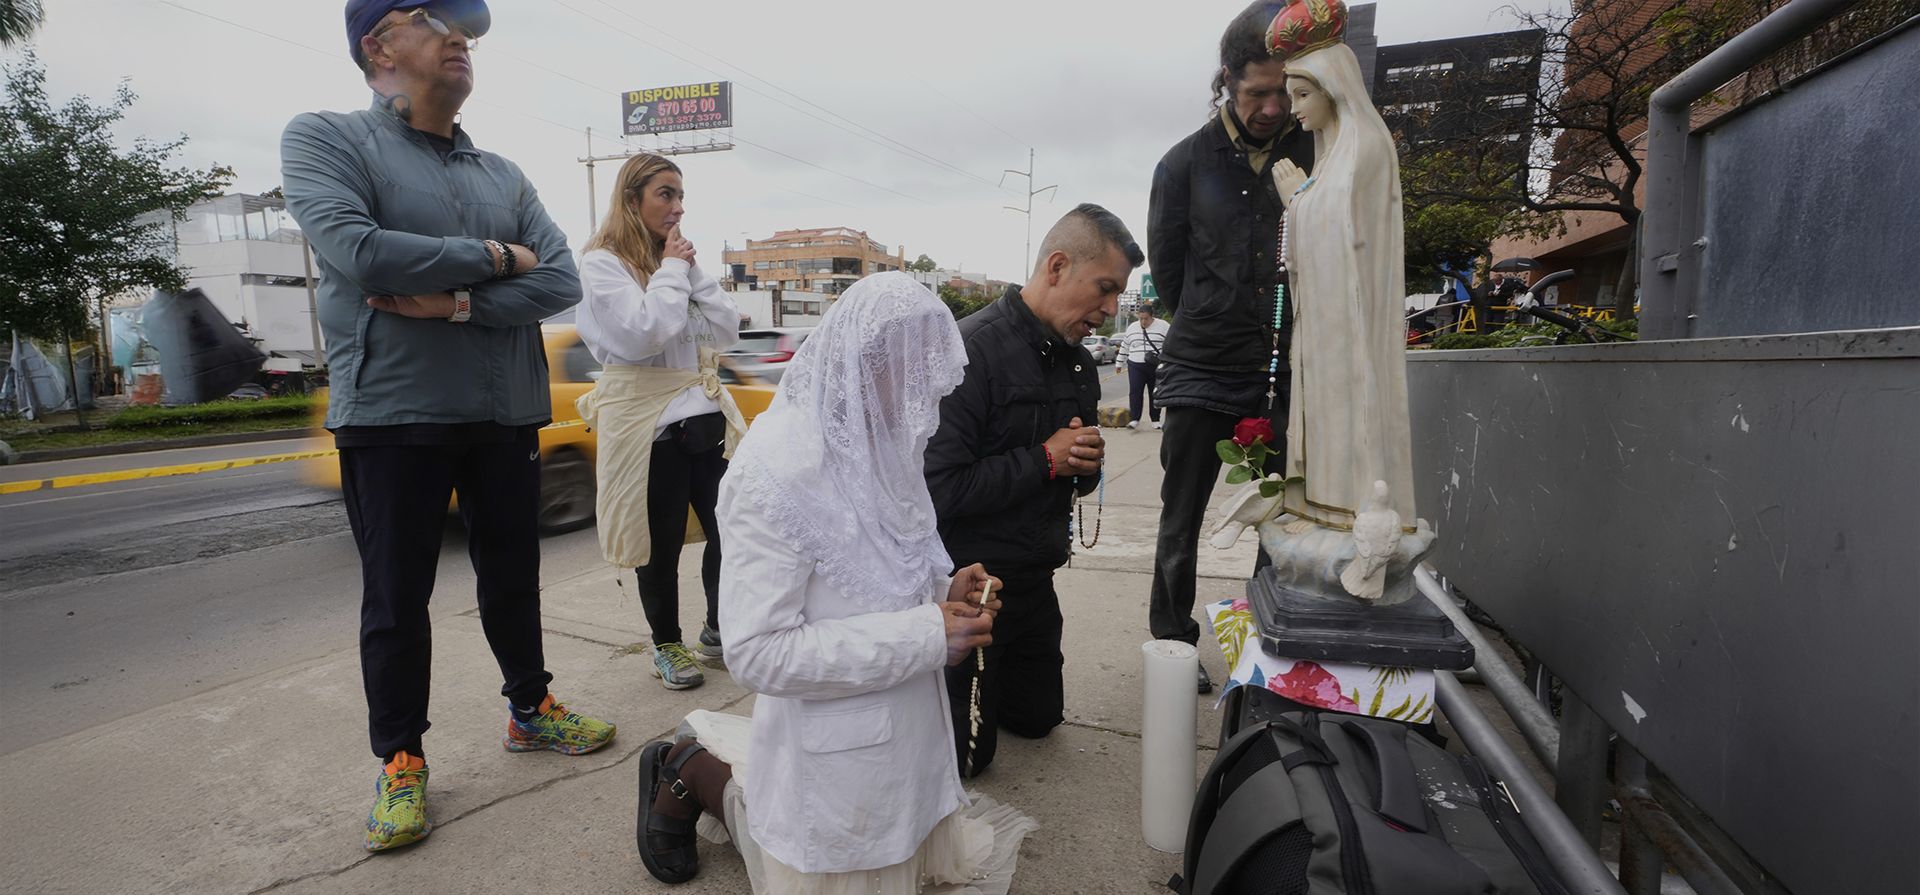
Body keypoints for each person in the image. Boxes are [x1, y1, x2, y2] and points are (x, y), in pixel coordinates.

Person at [280, 0, 614, 852]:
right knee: (397, 599)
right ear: (378, 45)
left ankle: (530, 709)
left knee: (513, 576)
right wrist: (502, 259)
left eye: (466, 25)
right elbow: (359, 252)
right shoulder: (326, 139)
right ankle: (399, 758)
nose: (459, 36)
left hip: (505, 409)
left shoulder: (501, 173)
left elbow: (564, 280)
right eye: (430, 17)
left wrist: (458, 302)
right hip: (394, 411)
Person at [633, 273, 1034, 893]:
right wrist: (928, 636)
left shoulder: (884, 447)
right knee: (777, 835)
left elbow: (886, 581)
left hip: (906, 745)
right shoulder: (776, 474)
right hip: (837, 765)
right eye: (912, 373)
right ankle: (687, 768)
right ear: (864, 363)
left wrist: (946, 595)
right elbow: (756, 652)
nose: (925, 400)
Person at [925, 204, 1141, 777]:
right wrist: (1046, 458)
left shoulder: (1078, 363)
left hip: (1035, 580)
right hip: (974, 587)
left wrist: (1084, 463)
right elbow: (938, 488)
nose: (1112, 309)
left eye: (1119, 293)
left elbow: (1075, 471)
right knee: (967, 760)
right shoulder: (969, 352)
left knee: (1039, 719)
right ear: (1057, 266)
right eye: (1105, 288)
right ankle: (924, 691)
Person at [1145, 1, 1314, 693]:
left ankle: (1275, 646)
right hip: (1199, 367)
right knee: (1180, 517)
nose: (1273, 106)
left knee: (1285, 520)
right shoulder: (1183, 163)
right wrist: (1214, 321)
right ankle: (1174, 647)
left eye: (1283, 91)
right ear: (1227, 82)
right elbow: (1168, 269)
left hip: (1284, 368)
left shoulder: (1313, 149)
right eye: (1257, 93)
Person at [575, 153, 744, 692]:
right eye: (665, 194)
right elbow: (644, 333)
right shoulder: (603, 264)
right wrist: (673, 270)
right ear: (632, 200)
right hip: (651, 432)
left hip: (705, 421)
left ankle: (718, 629)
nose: (677, 207)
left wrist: (688, 271)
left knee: (734, 533)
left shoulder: (679, 262)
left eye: (680, 196)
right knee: (660, 546)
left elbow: (725, 333)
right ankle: (666, 645)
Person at [1267, 0, 1418, 531]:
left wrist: (1297, 201)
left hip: (1350, 324)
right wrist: (1306, 198)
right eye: (1291, 96)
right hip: (1327, 324)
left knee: (1351, 418)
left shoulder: (1365, 146)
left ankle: (1352, 509)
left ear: (1335, 87)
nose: (1295, 109)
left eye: (1303, 94)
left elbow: (1345, 235)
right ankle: (1326, 504)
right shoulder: (1332, 155)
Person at [1118, 304, 1172, 429]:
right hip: (1135, 364)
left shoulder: (1163, 326)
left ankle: (1155, 419)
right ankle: (1135, 419)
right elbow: (1125, 345)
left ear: (1152, 316)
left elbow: (1171, 343)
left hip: (1155, 365)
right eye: (1140, 318)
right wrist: (1119, 362)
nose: (1143, 321)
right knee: (1135, 392)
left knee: (1155, 392)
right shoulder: (1132, 327)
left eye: (1146, 318)